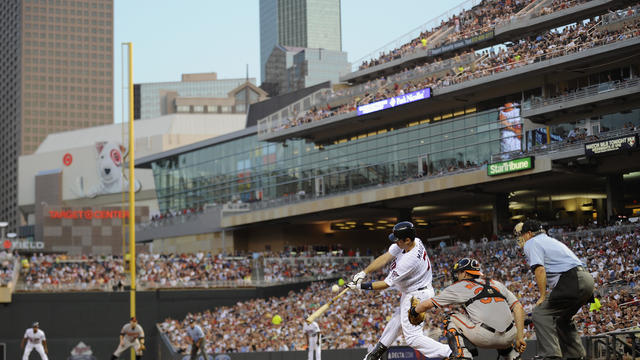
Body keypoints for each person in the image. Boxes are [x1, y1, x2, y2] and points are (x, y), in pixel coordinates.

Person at [347, 221, 452, 360]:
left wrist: (360, 286)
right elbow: (386, 257)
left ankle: (449, 352)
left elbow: (385, 284)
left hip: (417, 296)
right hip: (413, 292)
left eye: (398, 240)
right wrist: (363, 272)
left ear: (407, 240)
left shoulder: (410, 260)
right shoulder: (413, 241)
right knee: (396, 323)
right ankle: (374, 355)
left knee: (413, 338)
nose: (396, 243)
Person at [409, 258, 526, 360]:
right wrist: (520, 337)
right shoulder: (495, 283)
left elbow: (428, 304)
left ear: (465, 274)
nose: (456, 275)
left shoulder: (460, 285)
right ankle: (512, 356)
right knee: (499, 322)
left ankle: (463, 355)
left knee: (450, 318)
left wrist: (414, 311)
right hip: (511, 336)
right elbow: (518, 307)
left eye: (458, 273)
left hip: (485, 337)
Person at [514, 220, 594, 359]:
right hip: (586, 280)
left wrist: (542, 296)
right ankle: (576, 355)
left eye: (523, 234)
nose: (522, 238)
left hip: (572, 280)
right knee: (562, 319)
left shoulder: (532, 242)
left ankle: (551, 356)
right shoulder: (548, 240)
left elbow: (539, 269)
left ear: (528, 233)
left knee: (540, 313)